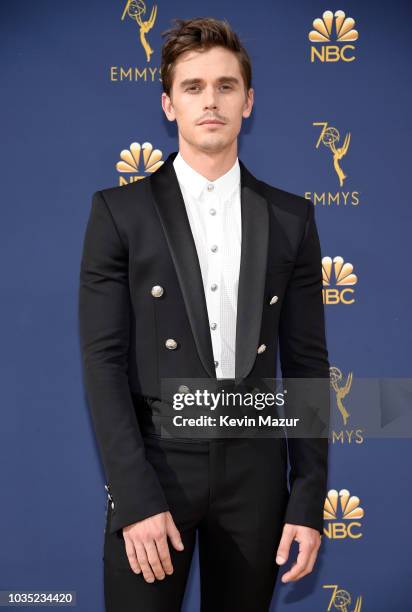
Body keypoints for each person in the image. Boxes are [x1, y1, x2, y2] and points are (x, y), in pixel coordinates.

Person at [78, 16, 330, 612]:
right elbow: (102, 361)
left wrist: (307, 496)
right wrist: (133, 496)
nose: (209, 101)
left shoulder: (292, 217)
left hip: (257, 477)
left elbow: (307, 363)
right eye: (192, 87)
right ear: (168, 104)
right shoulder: (119, 213)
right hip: (156, 469)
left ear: (248, 101)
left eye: (225, 86)